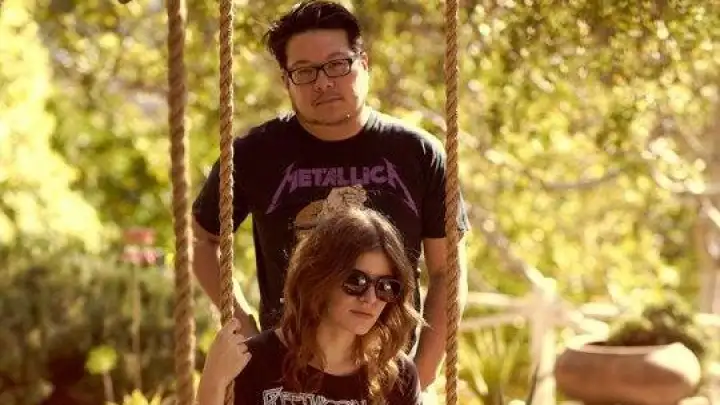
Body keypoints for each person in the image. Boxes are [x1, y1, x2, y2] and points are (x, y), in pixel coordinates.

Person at [191, 0, 470, 390]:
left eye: (337, 64)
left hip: (386, 376)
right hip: (285, 379)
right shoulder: (254, 154)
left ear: (364, 64)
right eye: (304, 71)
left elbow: (447, 270)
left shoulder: (418, 153)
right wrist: (244, 324)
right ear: (286, 81)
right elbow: (202, 242)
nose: (322, 83)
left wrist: (422, 371)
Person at [197, 208, 424, 405]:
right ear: (319, 278)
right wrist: (212, 385)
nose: (370, 298)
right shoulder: (252, 364)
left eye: (386, 286)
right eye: (356, 281)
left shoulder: (398, 378)